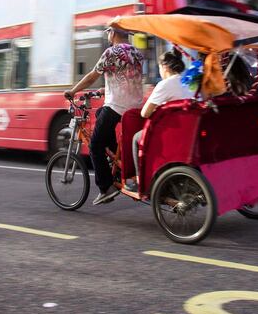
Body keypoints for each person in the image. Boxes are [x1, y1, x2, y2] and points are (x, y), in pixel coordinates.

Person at [65, 25, 144, 205]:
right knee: (101, 113)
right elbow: (126, 77)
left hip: (117, 106)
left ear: (113, 33)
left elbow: (93, 75)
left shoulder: (111, 52)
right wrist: (106, 89)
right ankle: (117, 166)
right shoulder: (137, 53)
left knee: (95, 145)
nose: (108, 35)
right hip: (135, 108)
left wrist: (73, 90)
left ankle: (106, 188)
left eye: (108, 32)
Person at [129, 49, 193, 190]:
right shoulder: (188, 81)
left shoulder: (165, 85)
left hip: (170, 133)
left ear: (165, 67)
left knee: (136, 138)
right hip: (189, 132)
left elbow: (145, 113)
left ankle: (140, 181)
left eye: (159, 68)